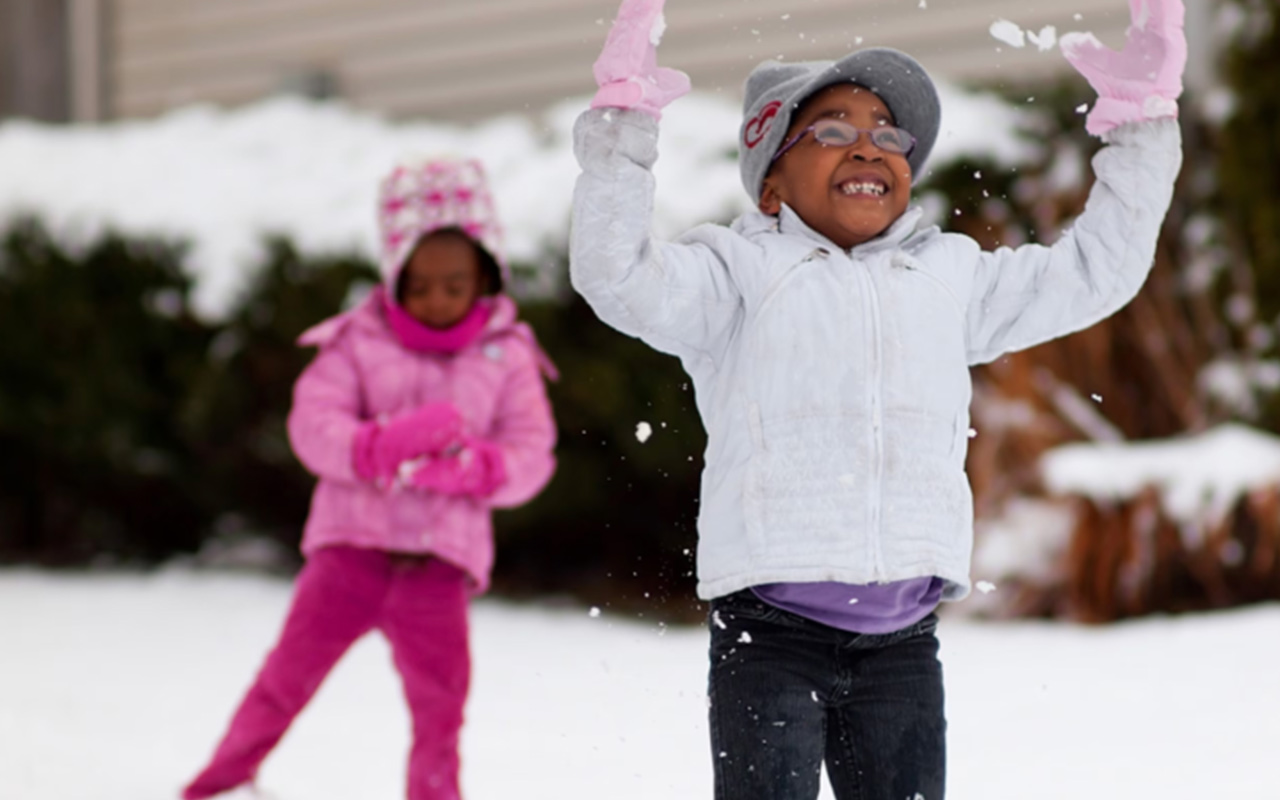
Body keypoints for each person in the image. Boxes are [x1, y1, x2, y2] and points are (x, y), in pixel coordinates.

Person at [571, 0, 1185, 798]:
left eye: (888, 133)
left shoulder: (950, 279)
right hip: (769, 635)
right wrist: (623, 116)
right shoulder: (734, 277)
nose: (868, 144)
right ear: (769, 185)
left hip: (902, 643)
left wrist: (1142, 126)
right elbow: (614, 274)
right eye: (829, 130)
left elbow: (1095, 274)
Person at [182, 157, 558, 800]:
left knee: (440, 710)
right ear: (393, 276)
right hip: (348, 556)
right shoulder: (356, 340)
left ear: (485, 275)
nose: (436, 299)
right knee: (284, 680)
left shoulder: (508, 354)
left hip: (437, 569)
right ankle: (220, 783)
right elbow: (312, 425)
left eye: (454, 283)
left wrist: (475, 471)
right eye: (419, 284)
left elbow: (532, 453)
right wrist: (375, 447)